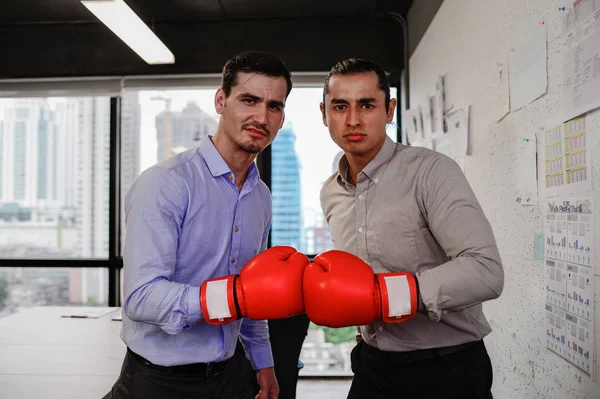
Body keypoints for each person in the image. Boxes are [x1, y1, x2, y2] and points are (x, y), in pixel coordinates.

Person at [105, 50, 309, 399]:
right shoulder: (166, 183)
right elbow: (140, 298)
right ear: (221, 100)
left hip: (231, 374)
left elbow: (253, 293)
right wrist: (231, 297)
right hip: (160, 382)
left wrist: (263, 361)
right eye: (249, 99)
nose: (261, 116)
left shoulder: (260, 196)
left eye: (274, 106)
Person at [302, 58, 504, 399]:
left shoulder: (431, 171)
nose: (353, 119)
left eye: (367, 105)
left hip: (447, 370)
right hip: (372, 366)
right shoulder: (331, 192)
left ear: (389, 109)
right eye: (340, 106)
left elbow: (485, 270)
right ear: (324, 114)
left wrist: (383, 297)